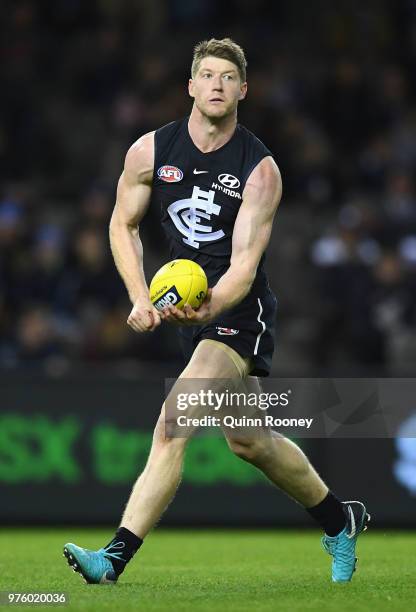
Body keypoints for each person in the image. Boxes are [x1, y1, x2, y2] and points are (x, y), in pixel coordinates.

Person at [63, 38, 369, 585]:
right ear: (190, 85)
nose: (217, 85)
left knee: (172, 424)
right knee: (251, 441)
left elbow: (245, 266)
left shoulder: (260, 169)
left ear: (243, 90)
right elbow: (121, 224)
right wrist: (140, 297)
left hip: (237, 312)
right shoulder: (149, 152)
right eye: (208, 75)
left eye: (229, 77)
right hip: (187, 309)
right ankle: (338, 517)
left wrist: (204, 306)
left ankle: (112, 559)